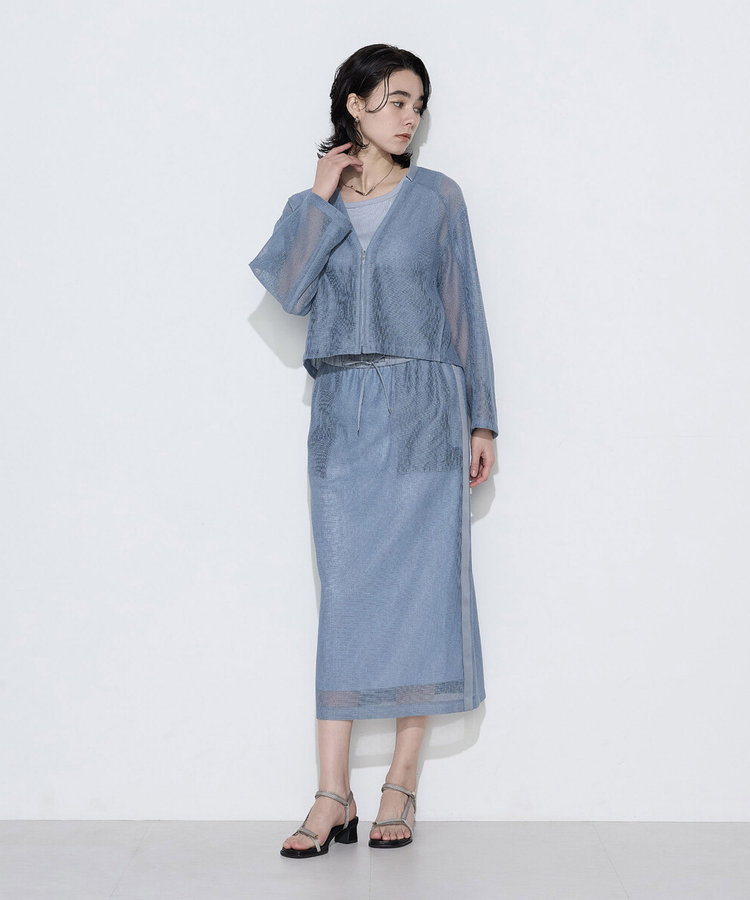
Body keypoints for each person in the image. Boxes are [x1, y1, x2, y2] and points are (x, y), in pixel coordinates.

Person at [248, 43, 498, 859]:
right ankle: (333, 793)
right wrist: (317, 198)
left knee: (422, 591)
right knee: (347, 597)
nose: (409, 116)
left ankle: (400, 782)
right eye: (394, 100)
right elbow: (288, 291)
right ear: (354, 105)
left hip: (426, 407)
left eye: (418, 103)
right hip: (344, 411)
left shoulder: (438, 198)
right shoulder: (315, 201)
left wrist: (482, 421)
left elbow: (465, 309)